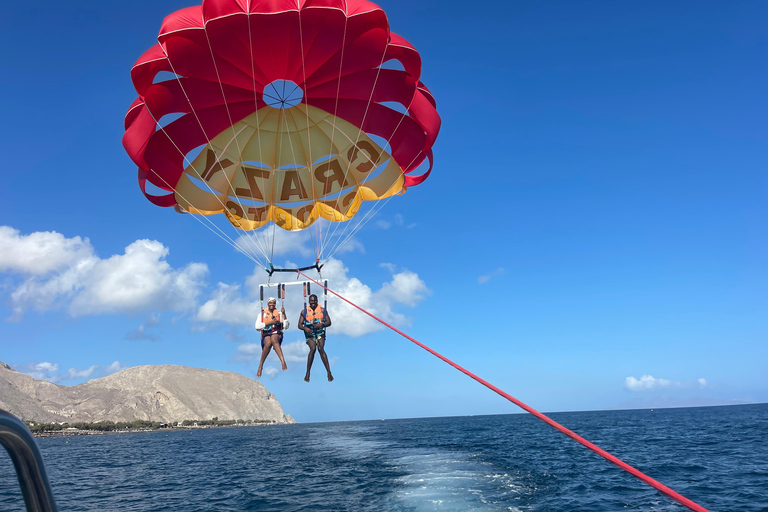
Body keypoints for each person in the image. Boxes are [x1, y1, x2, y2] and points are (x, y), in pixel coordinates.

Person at [299, 294, 333, 382]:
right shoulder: (304, 312)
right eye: (311, 301)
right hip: (309, 332)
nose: (313, 303)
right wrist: (305, 328)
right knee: (313, 349)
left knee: (321, 348)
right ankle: (307, 373)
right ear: (309, 302)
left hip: (320, 331)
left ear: (317, 301)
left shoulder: (322, 310)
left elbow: (329, 322)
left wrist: (321, 324)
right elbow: (299, 325)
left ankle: (328, 372)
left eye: (314, 301)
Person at [255, 297, 289, 378]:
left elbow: (285, 326)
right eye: (270, 303)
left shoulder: (280, 314)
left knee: (273, 339)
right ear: (267, 304)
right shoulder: (262, 314)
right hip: (266, 334)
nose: (272, 304)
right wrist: (270, 322)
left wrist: (284, 314)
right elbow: (257, 327)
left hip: (277, 334)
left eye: (273, 303)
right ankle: (260, 366)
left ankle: (283, 361)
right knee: (268, 342)